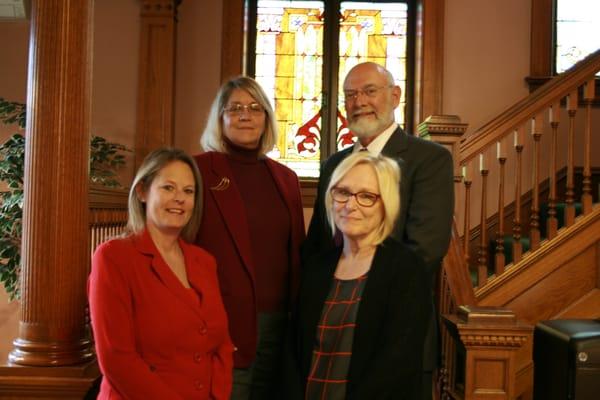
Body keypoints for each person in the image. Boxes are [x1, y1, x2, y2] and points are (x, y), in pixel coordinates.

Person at [304, 62, 454, 399]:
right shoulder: (333, 165)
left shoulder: (428, 159)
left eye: (370, 91)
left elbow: (425, 250)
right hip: (330, 321)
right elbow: (318, 244)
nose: (359, 101)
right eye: (350, 94)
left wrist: (362, 296)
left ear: (395, 95)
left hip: (394, 327)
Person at [89, 148, 233, 400]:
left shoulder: (204, 261)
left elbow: (221, 345)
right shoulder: (113, 257)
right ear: (143, 192)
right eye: (168, 187)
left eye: (188, 191)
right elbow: (117, 358)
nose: (180, 198)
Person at [286, 152, 432, 399]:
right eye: (342, 192)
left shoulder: (407, 269)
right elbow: (293, 353)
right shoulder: (317, 268)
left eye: (366, 196)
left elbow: (397, 365)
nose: (350, 205)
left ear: (386, 204)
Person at [194, 76, 305, 398]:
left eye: (256, 108)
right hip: (222, 321)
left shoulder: (285, 178)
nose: (246, 115)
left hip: (280, 326)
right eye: (236, 108)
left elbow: (296, 251)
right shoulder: (198, 171)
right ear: (220, 117)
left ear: (267, 118)